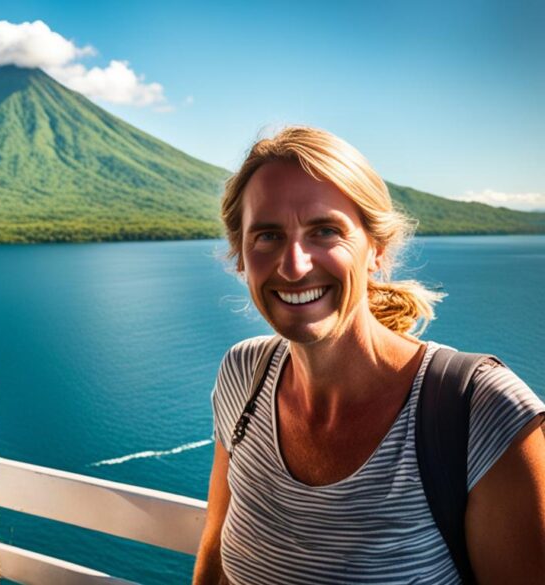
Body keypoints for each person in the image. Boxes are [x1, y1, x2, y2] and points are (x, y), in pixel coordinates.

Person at [193, 127, 545, 584]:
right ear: (240, 254)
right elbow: (215, 548)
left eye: (325, 230)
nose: (294, 265)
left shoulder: (482, 410)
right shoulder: (244, 374)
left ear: (375, 249)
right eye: (267, 236)